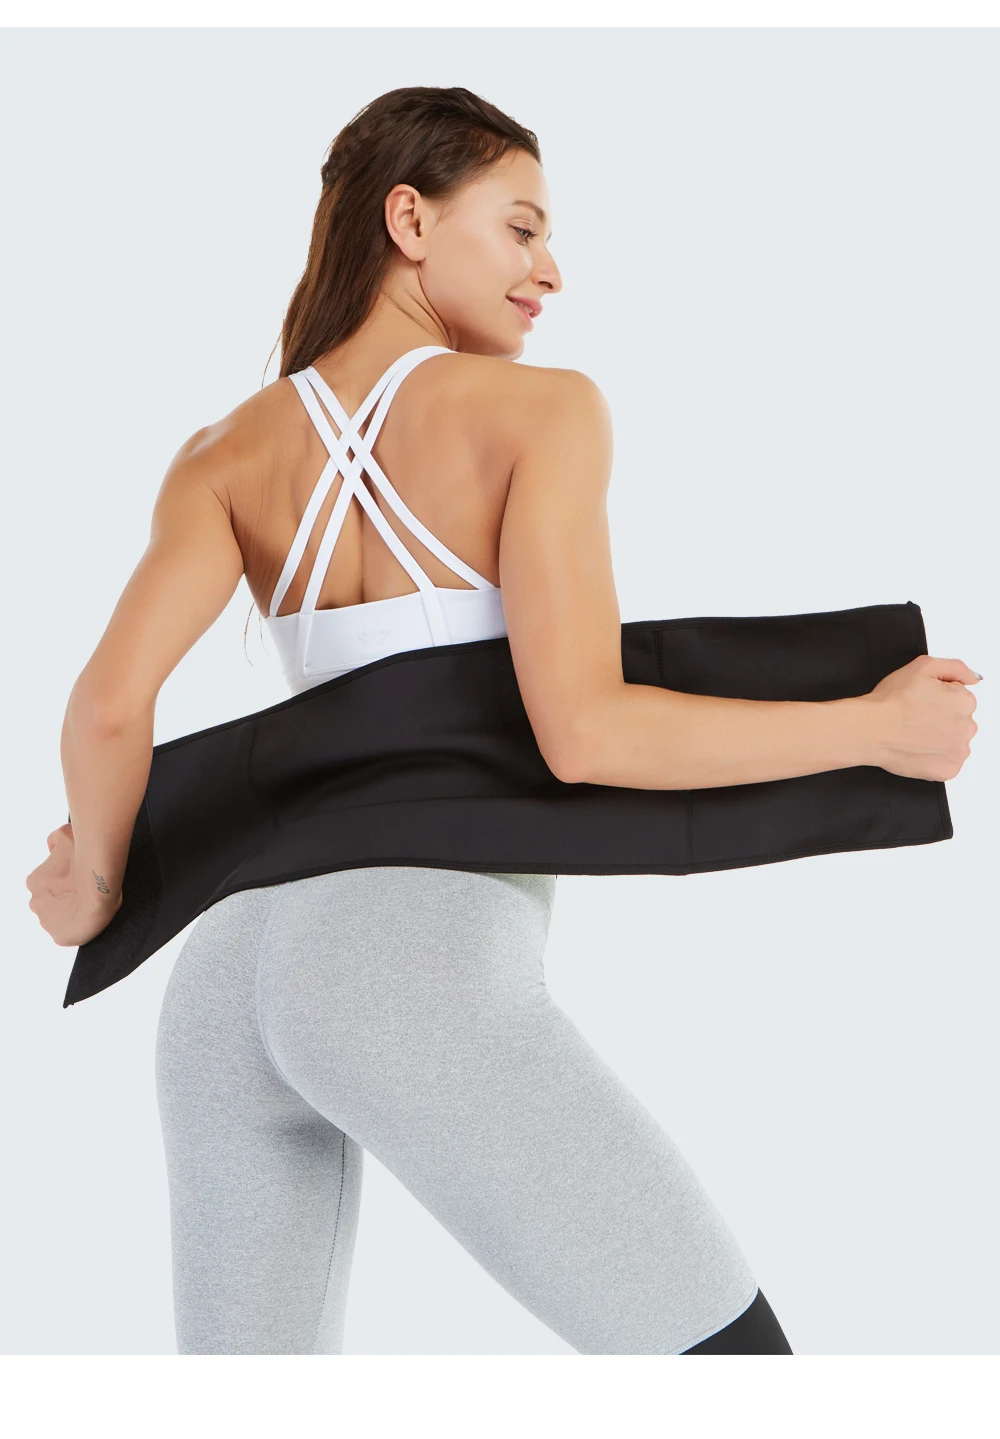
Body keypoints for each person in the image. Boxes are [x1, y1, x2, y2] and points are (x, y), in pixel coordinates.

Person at [26, 87, 980, 1356]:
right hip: (404, 959)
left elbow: (106, 707)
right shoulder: (541, 411)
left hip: (225, 979)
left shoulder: (222, 455)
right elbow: (586, 732)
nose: (551, 270)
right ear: (410, 220)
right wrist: (870, 729)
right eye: (522, 228)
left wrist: (94, 881)